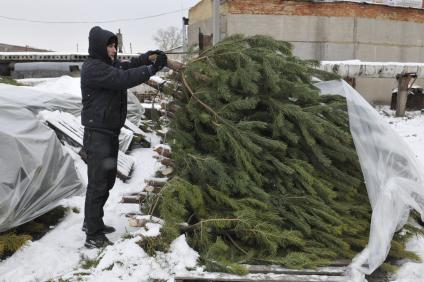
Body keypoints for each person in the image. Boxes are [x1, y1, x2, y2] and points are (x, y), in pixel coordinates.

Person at [80, 26, 167, 248]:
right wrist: (152, 68)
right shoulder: (93, 68)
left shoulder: (108, 65)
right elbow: (123, 78)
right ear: (99, 47)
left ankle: (91, 221)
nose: (113, 49)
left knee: (107, 181)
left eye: (114, 45)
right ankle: (93, 234)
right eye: (109, 45)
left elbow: (127, 66)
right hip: (97, 133)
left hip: (109, 132)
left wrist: (146, 58)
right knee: (98, 184)